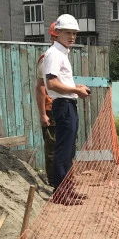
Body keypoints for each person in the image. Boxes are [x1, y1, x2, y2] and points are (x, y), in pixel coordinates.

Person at [42, 14, 91, 205]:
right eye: (68, 33)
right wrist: (76, 90)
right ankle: (61, 193)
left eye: (74, 33)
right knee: (63, 150)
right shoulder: (54, 54)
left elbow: (59, 82)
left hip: (68, 104)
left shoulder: (62, 54)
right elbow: (52, 84)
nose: (72, 37)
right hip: (63, 105)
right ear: (58, 33)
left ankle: (67, 188)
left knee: (69, 150)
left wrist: (75, 86)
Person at [35, 22, 59, 186]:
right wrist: (43, 113)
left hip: (62, 107)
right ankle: (52, 182)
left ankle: (62, 180)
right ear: (52, 37)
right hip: (51, 109)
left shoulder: (61, 57)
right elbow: (40, 87)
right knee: (52, 147)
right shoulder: (46, 59)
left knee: (66, 146)